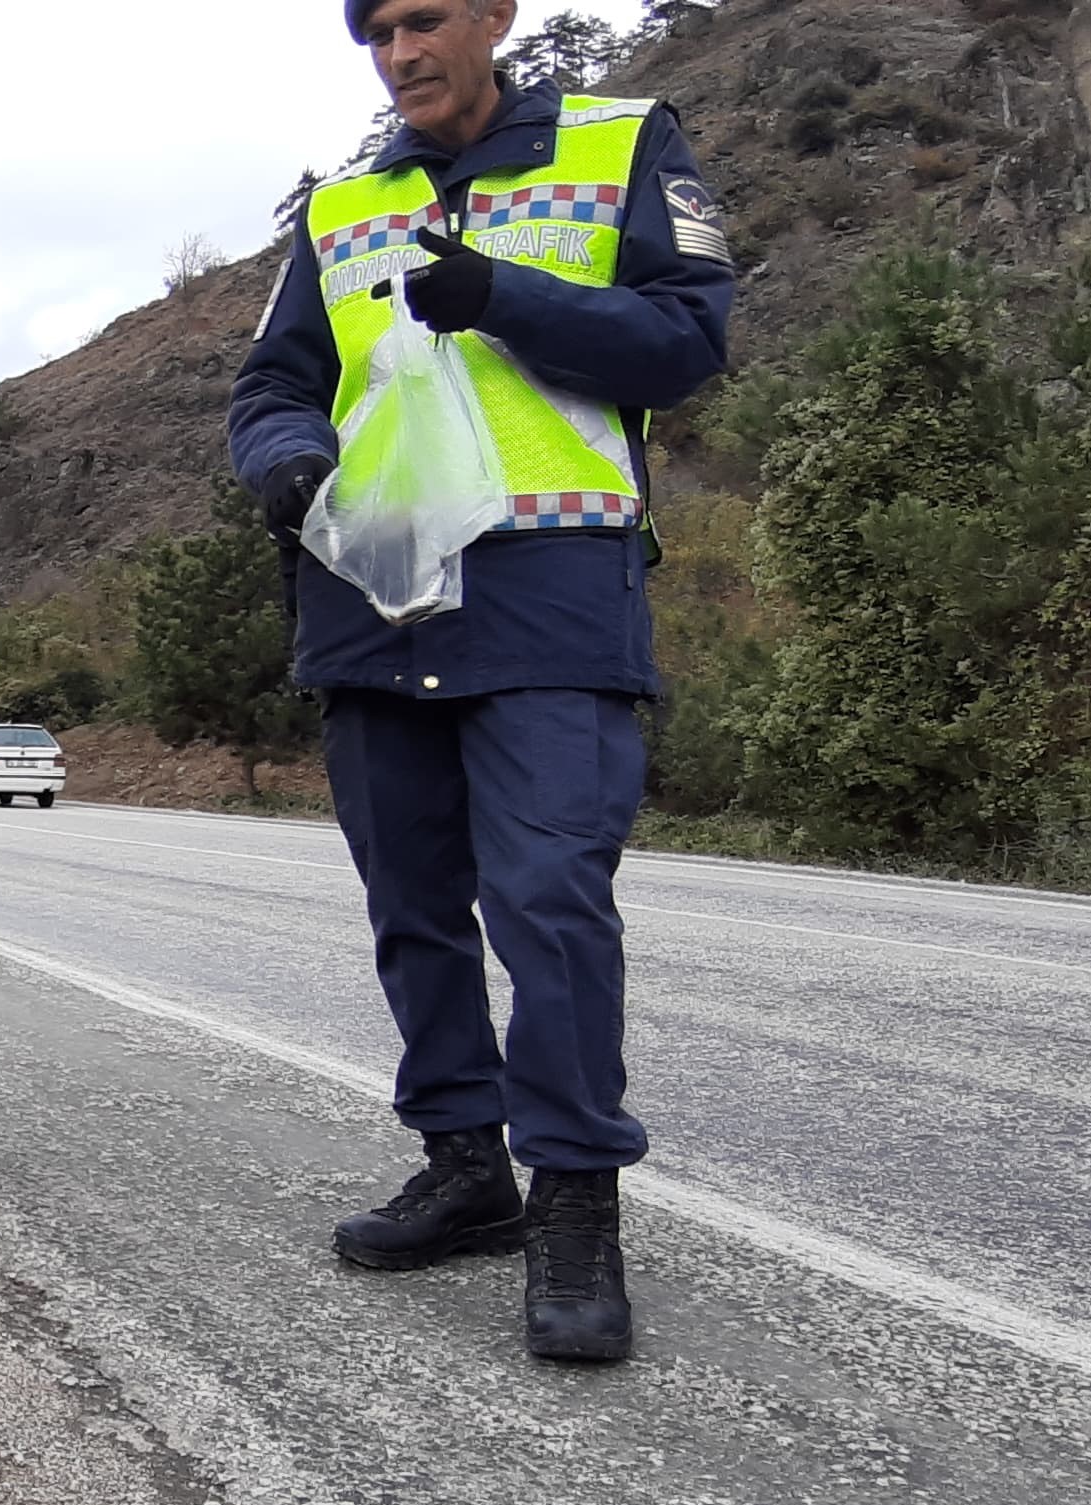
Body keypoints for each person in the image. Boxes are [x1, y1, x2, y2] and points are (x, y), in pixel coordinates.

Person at [228, 0, 734, 1362]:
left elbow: (689, 342)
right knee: (412, 903)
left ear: (496, 14)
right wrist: (280, 458)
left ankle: (576, 1199)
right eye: (377, 31)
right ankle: (466, 1167)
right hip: (372, 593)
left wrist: (502, 296)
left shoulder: (621, 142)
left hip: (551, 588)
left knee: (550, 900)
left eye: (426, 18)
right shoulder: (342, 207)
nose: (401, 51)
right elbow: (272, 383)